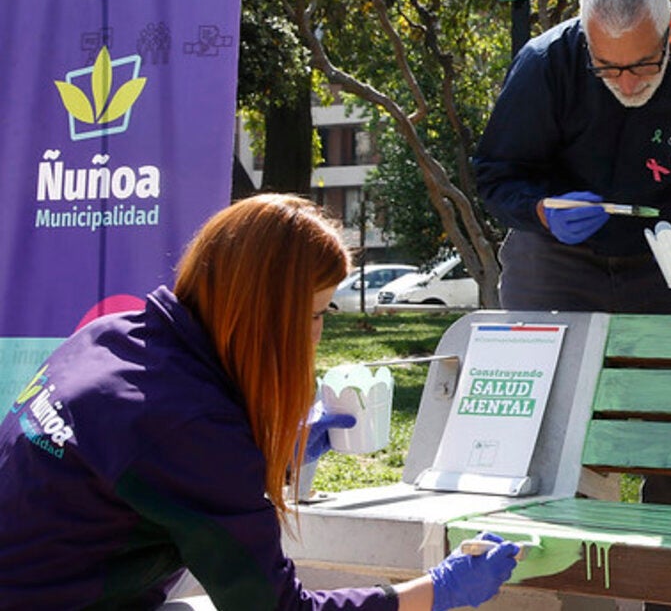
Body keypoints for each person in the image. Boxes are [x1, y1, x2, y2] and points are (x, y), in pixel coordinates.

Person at [0, 195, 518, 610]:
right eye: (316, 315)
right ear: (264, 316)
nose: (317, 335)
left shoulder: (115, 335)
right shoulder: (188, 428)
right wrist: (434, 592)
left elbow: (135, 473)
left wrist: (267, 453)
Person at [473, 0, 671, 611]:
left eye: (642, 65)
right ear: (584, 37)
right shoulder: (545, 65)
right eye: (607, 68)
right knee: (553, 437)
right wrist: (541, 210)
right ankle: (581, 596)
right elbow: (495, 172)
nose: (627, 83)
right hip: (556, 261)